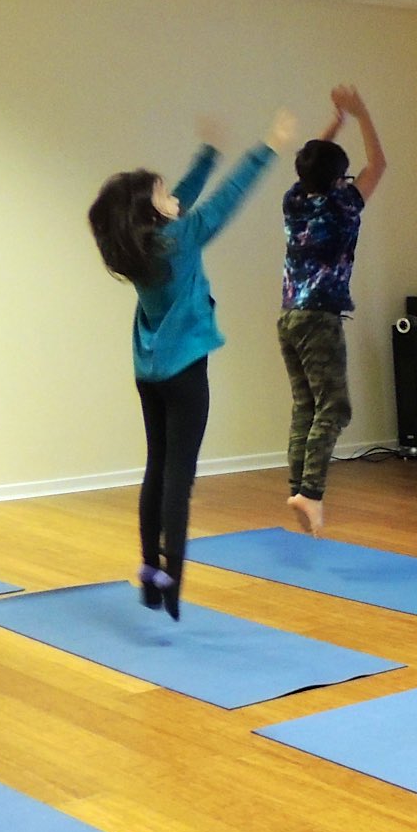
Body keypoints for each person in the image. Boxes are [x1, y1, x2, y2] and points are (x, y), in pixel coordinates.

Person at [88, 110, 298, 620]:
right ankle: (173, 579)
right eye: (162, 193)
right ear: (154, 210)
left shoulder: (138, 245)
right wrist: (268, 145)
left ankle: (148, 569)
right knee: (180, 475)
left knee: (157, 466)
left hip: (149, 372)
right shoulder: (179, 239)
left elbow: (180, 199)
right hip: (185, 373)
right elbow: (226, 201)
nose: (172, 197)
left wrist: (206, 155)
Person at [279, 84, 386, 536]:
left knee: (306, 405)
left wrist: (335, 122)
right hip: (320, 318)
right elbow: (378, 165)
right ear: (338, 178)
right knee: (335, 408)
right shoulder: (342, 205)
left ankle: (298, 487)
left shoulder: (295, 200)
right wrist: (360, 114)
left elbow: (312, 166)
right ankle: (310, 492)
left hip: (288, 318)